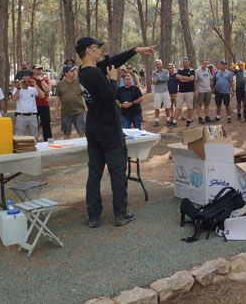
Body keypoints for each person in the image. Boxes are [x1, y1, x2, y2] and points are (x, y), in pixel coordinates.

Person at [76, 36, 155, 228]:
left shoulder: (84, 71)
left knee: (94, 174)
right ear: (89, 50)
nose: (101, 50)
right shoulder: (95, 73)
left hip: (93, 128)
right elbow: (110, 97)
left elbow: (112, 62)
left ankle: (93, 216)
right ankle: (120, 214)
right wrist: (113, 79)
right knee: (118, 172)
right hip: (109, 130)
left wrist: (135, 50)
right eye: (98, 47)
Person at [54, 66, 86, 139]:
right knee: (66, 133)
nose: (73, 73)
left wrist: (85, 109)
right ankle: (67, 145)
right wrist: (56, 111)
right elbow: (57, 97)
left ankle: (83, 145)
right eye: (71, 71)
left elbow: (83, 95)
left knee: (82, 132)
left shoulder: (79, 82)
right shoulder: (60, 84)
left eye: (74, 71)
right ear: (66, 73)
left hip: (79, 111)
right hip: (66, 112)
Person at [12, 73, 45, 138]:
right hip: (21, 116)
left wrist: (35, 85)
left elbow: (42, 96)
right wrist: (19, 87)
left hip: (32, 116)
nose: (26, 83)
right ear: (20, 81)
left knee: (35, 136)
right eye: (24, 81)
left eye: (28, 81)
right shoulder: (17, 90)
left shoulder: (33, 89)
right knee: (20, 136)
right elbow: (14, 99)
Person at [170, 58, 196, 127]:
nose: (185, 63)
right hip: (181, 92)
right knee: (178, 107)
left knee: (190, 107)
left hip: (189, 91)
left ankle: (188, 121)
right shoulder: (179, 70)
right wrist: (187, 78)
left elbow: (191, 78)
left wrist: (183, 78)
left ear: (189, 63)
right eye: (184, 62)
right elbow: (177, 77)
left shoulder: (192, 70)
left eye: (186, 62)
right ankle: (174, 122)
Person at [32, 64, 52, 141]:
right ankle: (35, 141)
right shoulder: (30, 80)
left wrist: (41, 80)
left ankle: (49, 142)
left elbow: (47, 90)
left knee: (46, 124)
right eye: (37, 69)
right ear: (33, 70)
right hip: (33, 106)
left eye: (40, 69)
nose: (39, 71)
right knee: (34, 125)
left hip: (44, 105)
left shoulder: (45, 79)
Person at [152, 59, 172, 127]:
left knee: (167, 106)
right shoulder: (154, 73)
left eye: (159, 64)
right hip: (157, 92)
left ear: (162, 64)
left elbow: (166, 79)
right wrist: (162, 79)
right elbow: (154, 81)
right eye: (157, 64)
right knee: (157, 107)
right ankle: (156, 121)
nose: (158, 65)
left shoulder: (166, 71)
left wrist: (158, 80)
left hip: (165, 91)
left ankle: (168, 120)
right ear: (155, 66)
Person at [195, 59, 213, 124]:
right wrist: (196, 91)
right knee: (199, 104)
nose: (205, 64)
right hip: (200, 90)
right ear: (201, 64)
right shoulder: (197, 71)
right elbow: (195, 81)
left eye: (206, 63)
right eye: (204, 63)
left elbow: (210, 79)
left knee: (207, 104)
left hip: (208, 90)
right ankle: (200, 117)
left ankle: (206, 116)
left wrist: (210, 87)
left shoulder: (208, 70)